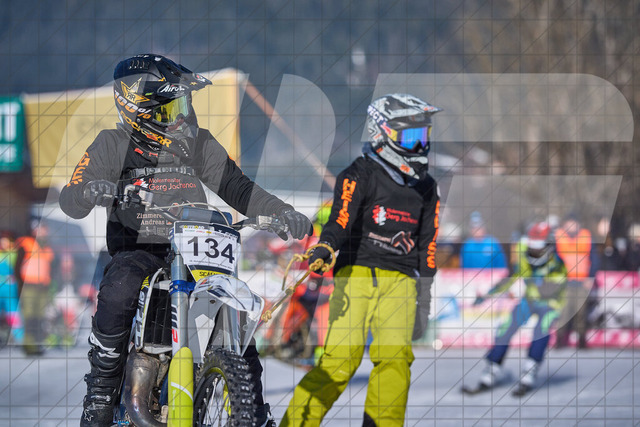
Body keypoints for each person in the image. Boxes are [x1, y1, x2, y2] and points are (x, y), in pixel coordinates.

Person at [58, 54, 312, 427]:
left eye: (184, 106)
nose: (181, 118)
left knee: (235, 315)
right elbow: (71, 197)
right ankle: (100, 393)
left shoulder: (198, 144)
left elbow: (239, 188)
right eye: (170, 109)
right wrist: (89, 190)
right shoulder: (112, 143)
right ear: (138, 111)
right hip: (140, 250)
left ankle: (252, 412)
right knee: (120, 287)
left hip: (199, 250)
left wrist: (281, 211)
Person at [281, 93, 441, 427]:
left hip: (401, 282)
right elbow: (339, 220)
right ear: (382, 133)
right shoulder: (360, 173)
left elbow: (427, 247)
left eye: (423, 136)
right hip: (357, 274)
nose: (419, 145)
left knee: (396, 360)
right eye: (410, 136)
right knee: (341, 360)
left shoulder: (427, 188)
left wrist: (424, 299)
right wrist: (325, 247)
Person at [468, 222, 567, 396]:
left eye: (538, 249)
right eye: (532, 248)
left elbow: (552, 290)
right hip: (529, 299)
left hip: (551, 302)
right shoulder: (523, 253)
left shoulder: (558, 264)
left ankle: (530, 369)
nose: (534, 253)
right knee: (506, 326)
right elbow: (512, 277)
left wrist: (537, 280)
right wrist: (487, 294)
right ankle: (492, 367)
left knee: (541, 330)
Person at [554, 213, 598, 349]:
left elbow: (595, 259)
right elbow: (554, 259)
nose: (571, 226)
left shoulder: (586, 237)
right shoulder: (558, 237)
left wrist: (590, 277)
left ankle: (582, 341)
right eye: (568, 224)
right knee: (564, 312)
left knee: (581, 313)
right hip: (565, 282)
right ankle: (559, 341)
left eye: (573, 223)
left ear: (578, 224)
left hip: (582, 281)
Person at [15, 220, 56, 355]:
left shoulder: (47, 247)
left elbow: (51, 268)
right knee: (29, 318)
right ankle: (29, 346)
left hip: (42, 288)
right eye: (42, 229)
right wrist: (20, 286)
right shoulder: (26, 244)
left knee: (40, 319)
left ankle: (37, 345)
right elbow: (17, 267)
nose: (45, 232)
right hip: (29, 287)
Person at [0, 231, 23, 345]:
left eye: (6, 241)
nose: (3, 243)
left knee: (13, 312)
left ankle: (19, 337)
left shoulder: (12, 253)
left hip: (9, 288)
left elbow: (16, 250)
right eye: (2, 241)